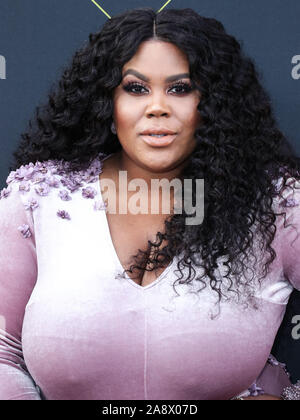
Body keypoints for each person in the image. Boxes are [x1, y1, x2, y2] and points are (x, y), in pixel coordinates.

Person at [0, 7, 299, 400]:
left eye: (180, 88)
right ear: (107, 103)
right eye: (136, 88)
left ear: (211, 106)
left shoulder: (274, 201)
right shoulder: (37, 194)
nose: (157, 106)